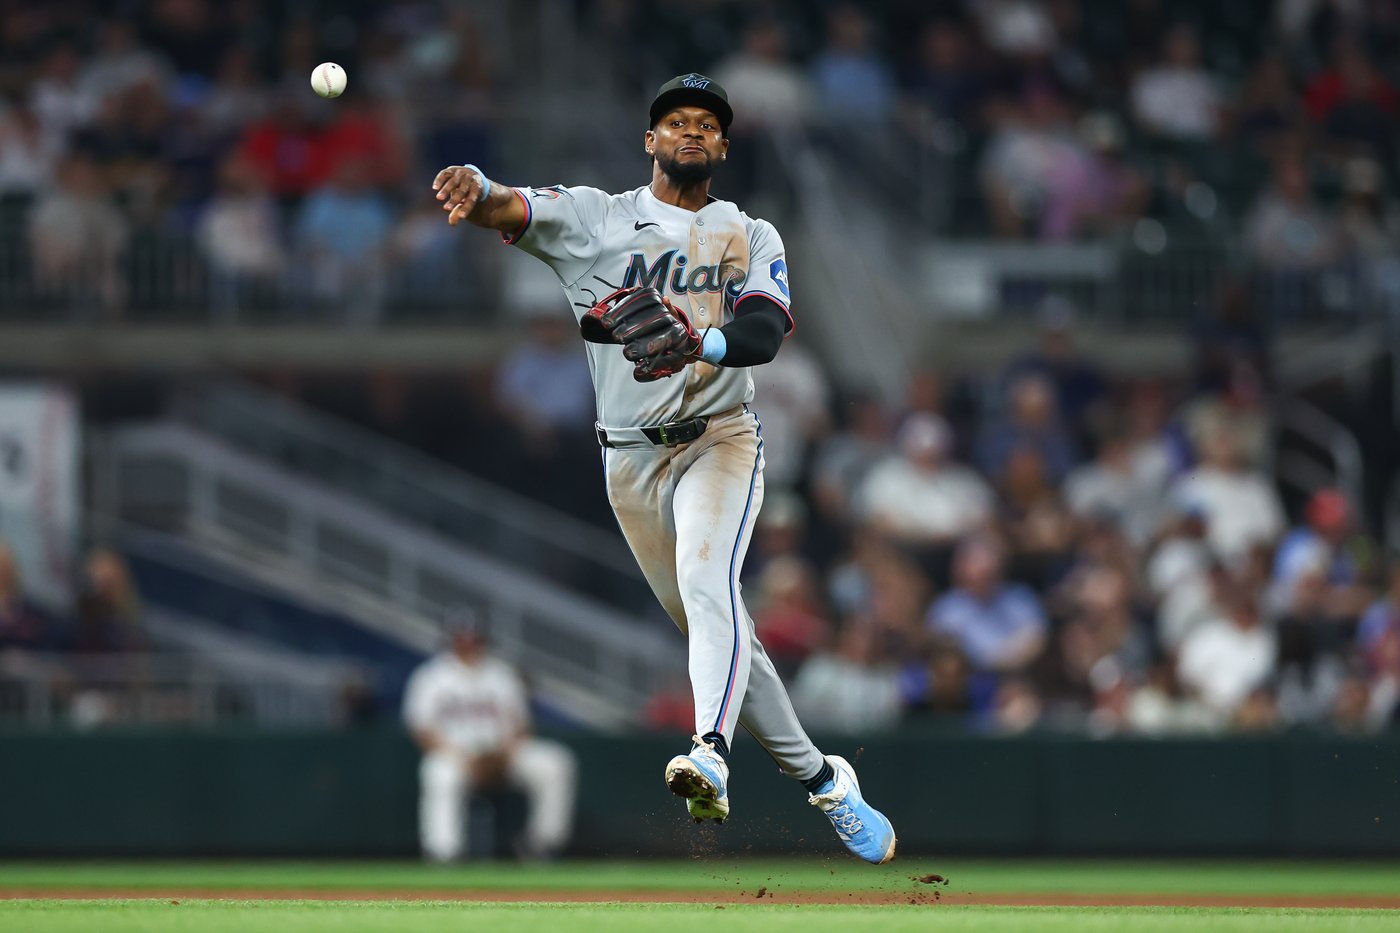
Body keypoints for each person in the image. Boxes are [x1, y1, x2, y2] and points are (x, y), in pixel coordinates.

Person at [429, 73, 896, 864]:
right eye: (675, 121)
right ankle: (825, 780)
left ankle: (708, 753)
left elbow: (760, 334)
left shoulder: (751, 232)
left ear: (722, 145)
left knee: (712, 587)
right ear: (649, 140)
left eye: (706, 124)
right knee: (723, 637)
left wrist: (699, 344)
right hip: (629, 460)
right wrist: (474, 189)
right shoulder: (595, 218)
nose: (690, 132)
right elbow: (508, 205)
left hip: (718, 437)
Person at [402, 613, 577, 862]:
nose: (470, 643)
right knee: (439, 772)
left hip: (504, 753)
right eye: (464, 638)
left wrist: (503, 754)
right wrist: (464, 758)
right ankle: (444, 853)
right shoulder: (431, 677)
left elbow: (521, 725)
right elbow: (421, 728)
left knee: (555, 762)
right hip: (456, 755)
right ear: (452, 640)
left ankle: (542, 843)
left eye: (475, 638)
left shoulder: (502, 674)